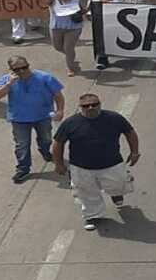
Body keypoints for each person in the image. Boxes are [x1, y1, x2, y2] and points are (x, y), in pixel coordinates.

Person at [52, 93, 140, 231]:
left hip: (112, 163)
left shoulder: (114, 118)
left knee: (119, 185)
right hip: (81, 167)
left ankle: (116, 194)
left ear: (100, 104)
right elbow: (58, 143)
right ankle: (93, 215)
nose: (91, 107)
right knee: (86, 192)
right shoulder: (70, 123)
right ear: (80, 107)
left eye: (94, 104)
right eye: (86, 106)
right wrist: (58, 163)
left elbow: (129, 132)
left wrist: (134, 152)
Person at [0, 55, 65, 183]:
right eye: (17, 69)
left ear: (28, 65)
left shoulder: (44, 78)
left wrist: (59, 110)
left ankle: (45, 151)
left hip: (43, 116)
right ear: (11, 70)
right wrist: (9, 84)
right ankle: (23, 168)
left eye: (24, 67)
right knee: (22, 145)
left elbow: (58, 95)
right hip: (19, 119)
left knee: (46, 138)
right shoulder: (6, 80)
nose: (21, 71)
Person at [37, 0, 83, 75]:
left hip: (73, 28)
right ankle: (70, 57)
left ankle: (71, 67)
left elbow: (82, 11)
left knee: (68, 48)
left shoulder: (75, 1)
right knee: (58, 47)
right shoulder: (52, 1)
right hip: (56, 28)